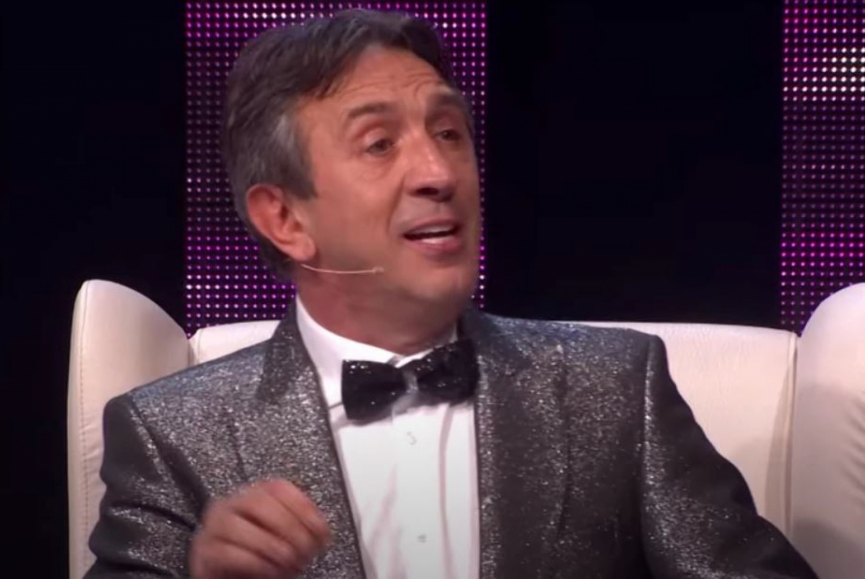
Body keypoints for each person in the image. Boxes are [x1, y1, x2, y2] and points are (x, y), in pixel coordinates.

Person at [85, 9, 817, 579]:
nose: (439, 173)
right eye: (380, 144)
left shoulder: (618, 386)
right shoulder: (173, 432)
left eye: (449, 132)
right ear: (285, 219)